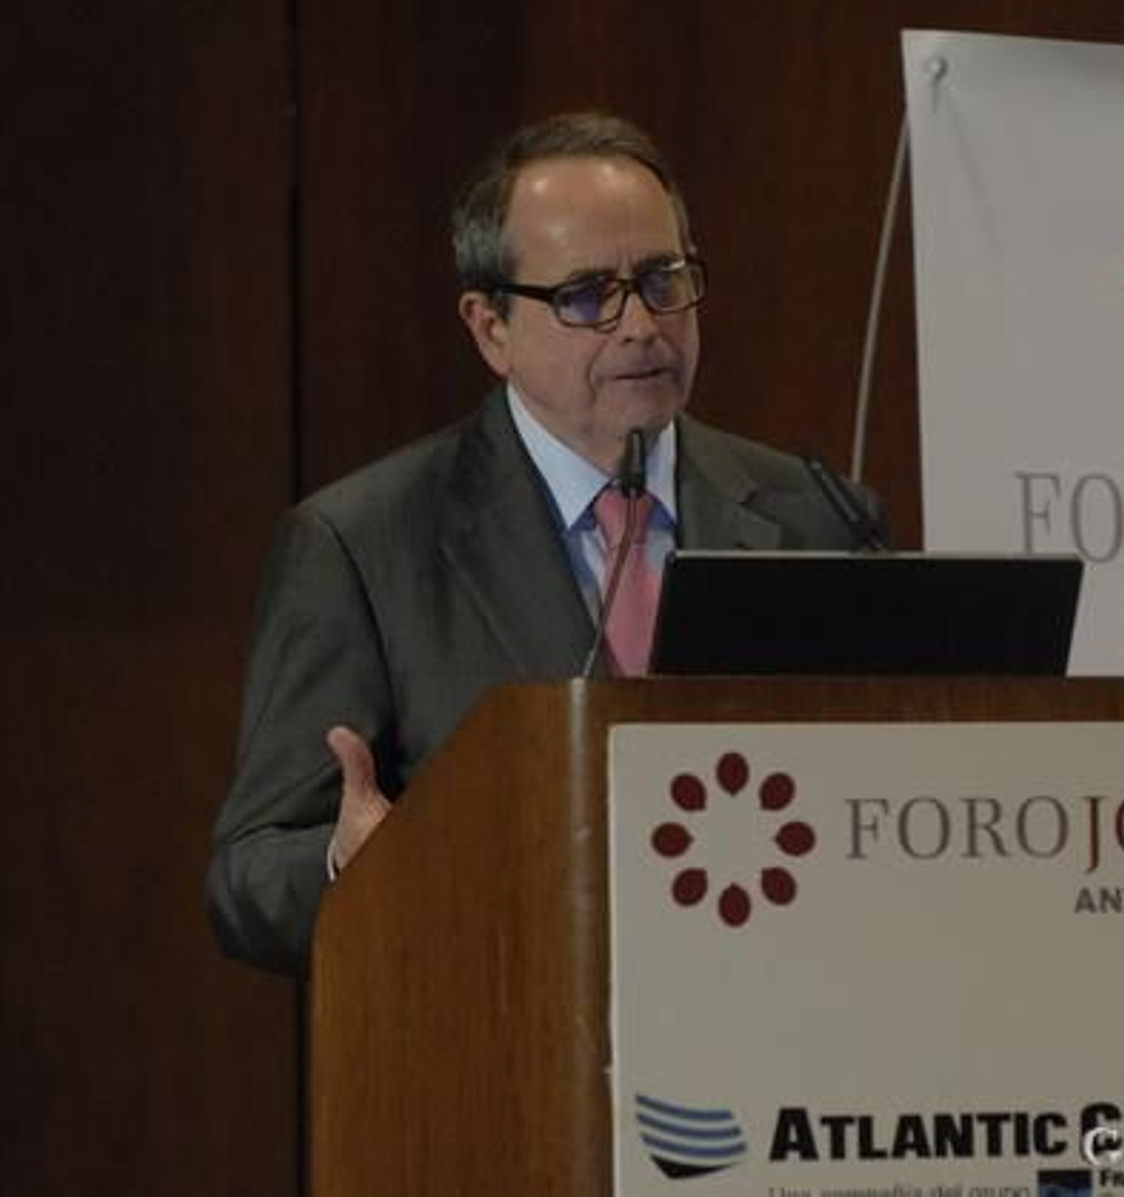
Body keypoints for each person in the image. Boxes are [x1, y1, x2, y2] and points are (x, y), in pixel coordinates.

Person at [207, 112, 877, 975]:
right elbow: (246, 876)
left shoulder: (821, 519)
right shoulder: (364, 546)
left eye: (663, 280)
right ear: (490, 328)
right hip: (506, 1043)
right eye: (589, 295)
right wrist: (360, 867)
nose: (641, 325)